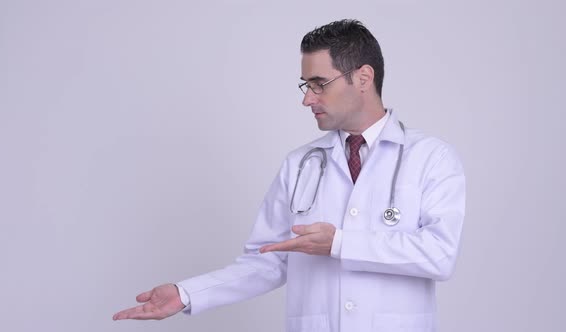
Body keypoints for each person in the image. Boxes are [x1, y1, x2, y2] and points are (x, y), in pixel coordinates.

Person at [113, 19, 465, 332]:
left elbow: (439, 254)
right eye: (305, 85)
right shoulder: (301, 163)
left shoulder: (430, 156)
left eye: (319, 84)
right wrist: (187, 293)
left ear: (363, 77)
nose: (307, 100)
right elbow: (268, 259)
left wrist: (340, 243)